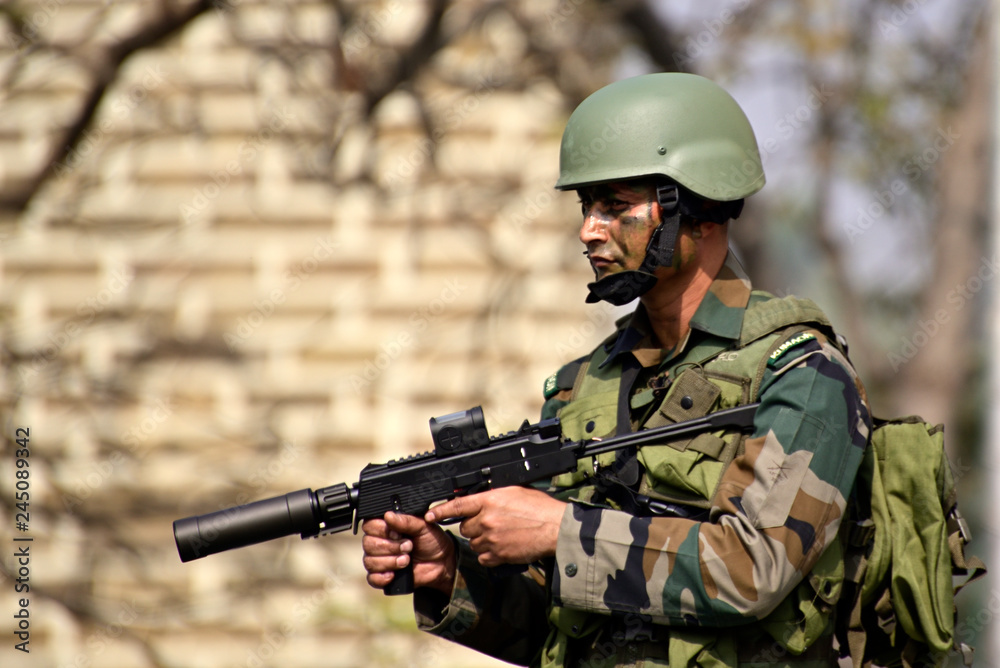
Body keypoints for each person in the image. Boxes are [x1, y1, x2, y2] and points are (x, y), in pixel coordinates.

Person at [361, 73, 872, 667]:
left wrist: (559, 529)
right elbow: (557, 626)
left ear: (698, 208)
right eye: (586, 207)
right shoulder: (583, 388)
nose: (588, 230)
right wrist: (449, 574)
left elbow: (752, 570)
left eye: (614, 206)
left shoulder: (802, 373)